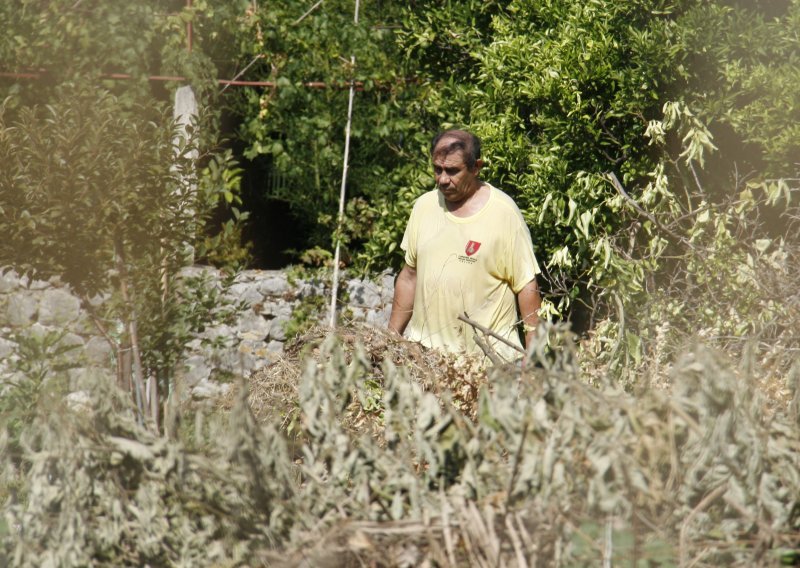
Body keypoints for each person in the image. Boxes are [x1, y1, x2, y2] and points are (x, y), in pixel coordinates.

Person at [388, 129, 542, 361]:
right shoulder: (425, 207)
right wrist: (389, 340)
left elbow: (527, 286)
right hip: (426, 360)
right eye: (437, 169)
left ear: (476, 167)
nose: (442, 179)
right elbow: (410, 276)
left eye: (452, 171)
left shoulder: (503, 213)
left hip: (488, 364)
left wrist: (533, 359)